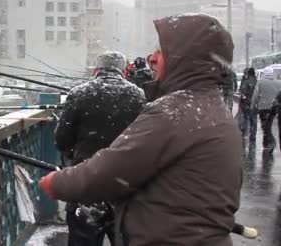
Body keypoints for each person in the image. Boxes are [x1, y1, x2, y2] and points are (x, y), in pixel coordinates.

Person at [39, 13, 242, 245]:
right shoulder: (214, 109)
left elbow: (109, 171)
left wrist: (56, 183)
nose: (151, 59)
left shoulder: (175, 112)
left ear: (186, 59)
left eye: (161, 52)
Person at [55, 51, 145, 246]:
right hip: (124, 188)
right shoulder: (137, 95)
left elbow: (62, 141)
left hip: (86, 185)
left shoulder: (79, 93)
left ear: (96, 69)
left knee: (84, 239)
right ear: (123, 70)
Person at [250, 69, 281, 151]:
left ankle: (271, 142)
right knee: (267, 125)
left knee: (265, 126)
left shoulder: (260, 82)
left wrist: (252, 105)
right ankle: (266, 144)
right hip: (274, 108)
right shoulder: (279, 82)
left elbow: (255, 95)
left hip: (263, 108)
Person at [238, 67, 258, 143]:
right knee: (254, 120)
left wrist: (244, 99)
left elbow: (242, 93)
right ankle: (253, 137)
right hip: (255, 105)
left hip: (246, 104)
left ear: (248, 74)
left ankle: (244, 134)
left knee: (246, 119)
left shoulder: (246, 82)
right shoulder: (257, 82)